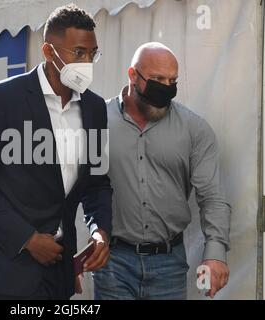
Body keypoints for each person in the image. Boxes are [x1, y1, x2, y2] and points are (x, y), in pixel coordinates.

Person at [0, 4, 113, 300]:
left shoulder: (94, 108)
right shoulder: (1, 99)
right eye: (78, 53)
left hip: (61, 272)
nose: (86, 62)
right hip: (10, 270)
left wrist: (100, 230)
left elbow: (97, 183)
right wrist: (27, 239)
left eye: (92, 54)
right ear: (48, 51)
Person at [93, 42, 231, 300]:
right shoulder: (97, 121)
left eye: (172, 80)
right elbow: (71, 186)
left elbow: (212, 197)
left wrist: (215, 253)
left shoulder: (194, 129)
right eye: (157, 79)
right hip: (113, 262)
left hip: (170, 264)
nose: (166, 88)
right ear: (133, 75)